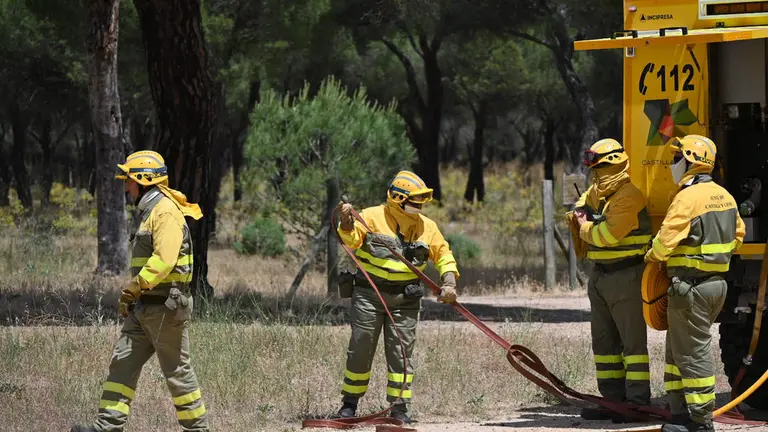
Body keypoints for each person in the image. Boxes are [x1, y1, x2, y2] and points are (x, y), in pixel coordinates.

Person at [71, 150, 208, 432]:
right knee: (122, 363)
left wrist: (135, 286)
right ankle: (107, 427)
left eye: (129, 180)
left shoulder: (165, 211)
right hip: (146, 307)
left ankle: (198, 429)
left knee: (177, 372)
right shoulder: (150, 210)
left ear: (144, 180)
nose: (126, 186)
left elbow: (166, 258)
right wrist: (135, 296)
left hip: (165, 308)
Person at [334, 170, 460, 424]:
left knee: (401, 353)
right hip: (369, 296)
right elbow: (352, 239)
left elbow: (444, 255)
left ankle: (399, 408)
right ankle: (350, 404)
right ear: (397, 198)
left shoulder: (428, 227)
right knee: (361, 345)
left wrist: (449, 281)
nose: (420, 205)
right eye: (415, 200)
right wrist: (346, 224)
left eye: (422, 201)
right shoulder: (371, 216)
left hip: (406, 300)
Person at [645, 135, 745, 432]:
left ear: (692, 160)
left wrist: (652, 255)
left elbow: (664, 244)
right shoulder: (724, 195)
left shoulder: (687, 198)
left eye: (679, 158)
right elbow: (737, 237)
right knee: (678, 350)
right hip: (716, 285)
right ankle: (680, 414)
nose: (675, 164)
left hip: (691, 288)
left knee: (694, 352)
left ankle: (701, 422)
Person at [567, 138, 652, 422]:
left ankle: (637, 403)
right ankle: (612, 401)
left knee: (632, 345)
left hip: (626, 275)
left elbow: (608, 235)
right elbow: (581, 207)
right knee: (604, 344)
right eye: (593, 168)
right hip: (600, 276)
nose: (596, 173)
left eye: (601, 166)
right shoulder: (599, 192)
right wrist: (584, 218)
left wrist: (585, 226)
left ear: (615, 164)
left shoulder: (629, 195)